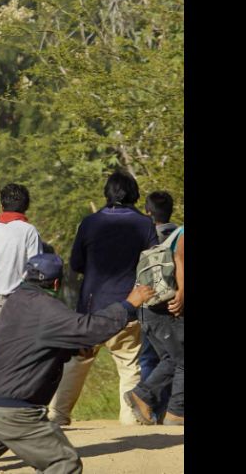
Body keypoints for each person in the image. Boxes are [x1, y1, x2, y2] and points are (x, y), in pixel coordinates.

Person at [0, 254, 156, 474]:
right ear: (57, 283)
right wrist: (127, 305)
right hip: (15, 412)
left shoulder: (14, 301)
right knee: (64, 463)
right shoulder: (47, 309)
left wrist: (71, 347)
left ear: (25, 276)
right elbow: (89, 329)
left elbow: (33, 342)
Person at [48, 170, 158, 426]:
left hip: (91, 308)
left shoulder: (90, 222)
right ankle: (130, 421)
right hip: (129, 306)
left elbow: (75, 264)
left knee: (78, 362)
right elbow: (151, 265)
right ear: (133, 194)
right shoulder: (144, 224)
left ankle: (58, 417)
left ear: (107, 194)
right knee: (129, 365)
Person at [125, 225, 184, 426]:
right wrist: (182, 291)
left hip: (149, 307)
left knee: (172, 358)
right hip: (162, 307)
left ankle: (143, 397)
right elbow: (179, 257)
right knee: (182, 358)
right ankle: (176, 413)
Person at [0, 183, 43, 355]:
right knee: (11, 356)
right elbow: (36, 270)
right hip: (16, 304)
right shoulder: (30, 232)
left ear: (2, 205)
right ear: (26, 207)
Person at [137, 190, 178, 416]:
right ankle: (166, 409)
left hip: (147, 305)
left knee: (150, 358)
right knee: (172, 357)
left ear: (148, 212)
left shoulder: (145, 238)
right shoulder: (178, 235)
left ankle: (148, 409)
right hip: (174, 306)